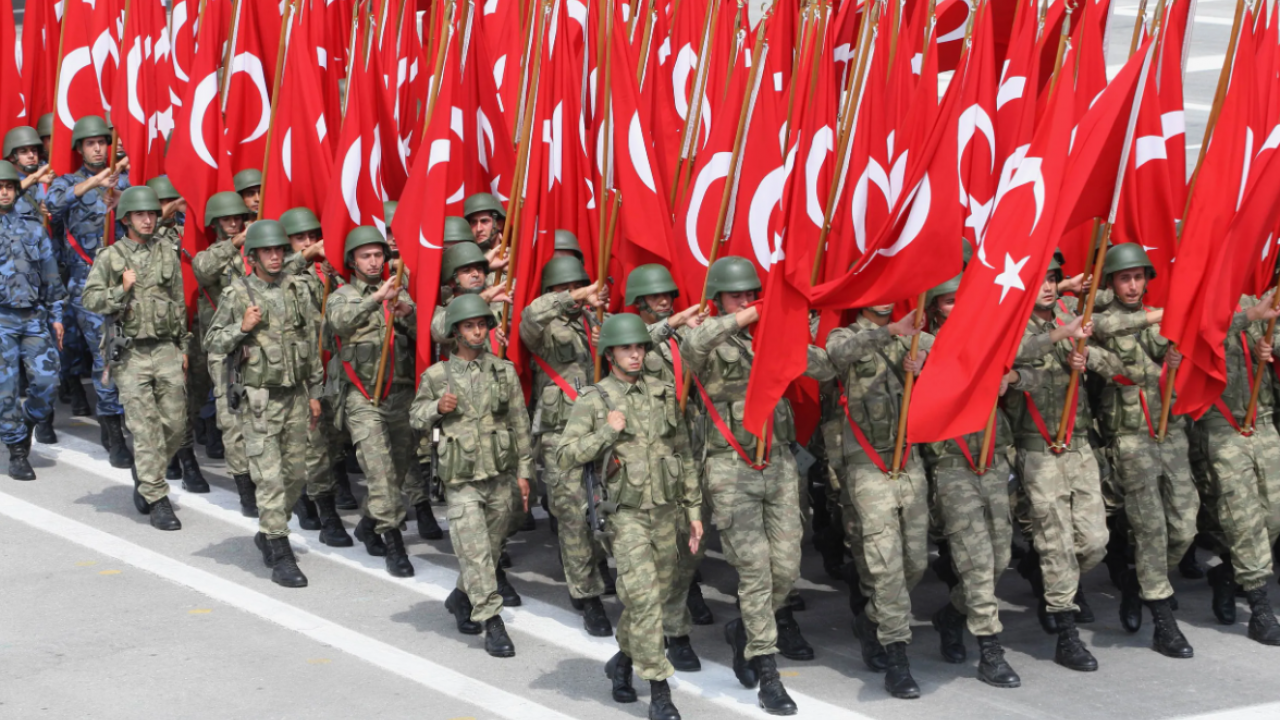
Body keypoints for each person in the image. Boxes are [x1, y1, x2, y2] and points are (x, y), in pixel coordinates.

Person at [684, 255, 825, 715]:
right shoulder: (708, 336)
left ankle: (743, 629)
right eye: (736, 295)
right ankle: (767, 671)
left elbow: (820, 365)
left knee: (786, 567)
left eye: (751, 294)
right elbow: (691, 347)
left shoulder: (771, 334)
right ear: (719, 299)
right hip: (731, 467)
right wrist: (745, 317)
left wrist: (794, 326)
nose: (746, 301)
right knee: (754, 571)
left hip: (779, 462)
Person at [558, 313, 703, 720]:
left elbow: (684, 454)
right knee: (643, 601)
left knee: (652, 598)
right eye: (626, 348)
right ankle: (660, 690)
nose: (635, 354)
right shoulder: (595, 399)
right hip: (624, 516)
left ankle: (622, 661)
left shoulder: (663, 393)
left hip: (666, 513)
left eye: (640, 347)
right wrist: (606, 432)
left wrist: (693, 510)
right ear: (611, 354)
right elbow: (564, 455)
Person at [807, 299, 932, 698]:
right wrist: (890, 332)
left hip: (908, 461)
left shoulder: (917, 337)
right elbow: (834, 358)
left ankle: (872, 617)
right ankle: (897, 657)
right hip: (866, 465)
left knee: (914, 560)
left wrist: (926, 366)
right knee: (886, 565)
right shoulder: (844, 335)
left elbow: (956, 363)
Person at [1004, 256, 1122, 671]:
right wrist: (1060, 336)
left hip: (1078, 445)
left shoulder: (1074, 316)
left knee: (1093, 542)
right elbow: (1006, 357)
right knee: (1056, 540)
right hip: (1037, 450)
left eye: (1054, 279)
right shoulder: (1011, 324)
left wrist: (1087, 357)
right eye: (1041, 280)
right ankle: (1067, 633)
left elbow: (1116, 366)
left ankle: (1045, 569)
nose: (1050, 287)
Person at [1088, 244, 1197, 657]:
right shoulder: (1100, 322)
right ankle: (1162, 621)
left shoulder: (1154, 321)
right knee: (1150, 527)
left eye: (1138, 277)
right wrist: (1166, 316)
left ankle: (1139, 582)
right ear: (1111, 283)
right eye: (1123, 278)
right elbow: (1108, 325)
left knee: (1185, 525)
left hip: (1169, 433)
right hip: (1130, 439)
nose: (1132, 285)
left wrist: (1173, 348)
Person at [918, 274, 1027, 688]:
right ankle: (990, 650)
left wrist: (1013, 377)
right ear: (932, 310)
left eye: (958, 302)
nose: (954, 309)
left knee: (999, 559)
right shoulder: (925, 351)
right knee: (977, 564)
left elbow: (1027, 352)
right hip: (953, 469)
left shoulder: (987, 345)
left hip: (992, 464)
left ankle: (950, 615)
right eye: (946, 303)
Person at [410, 293, 532, 655]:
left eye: (482, 325)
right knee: (475, 551)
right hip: (460, 478)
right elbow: (415, 418)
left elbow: (519, 423)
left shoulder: (503, 370)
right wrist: (436, 407)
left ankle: (461, 597)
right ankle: (491, 622)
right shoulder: (437, 376)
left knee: (490, 548)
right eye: (469, 326)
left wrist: (525, 470)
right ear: (455, 332)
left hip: (499, 474)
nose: (478, 332)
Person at [204, 220, 322, 586]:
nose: (274, 257)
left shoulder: (296, 288)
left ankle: (270, 529)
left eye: (279, 250)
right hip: (258, 399)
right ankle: (280, 548)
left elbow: (310, 342)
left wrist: (316, 394)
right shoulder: (238, 293)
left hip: (296, 396)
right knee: (269, 478)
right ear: (252, 256)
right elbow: (213, 341)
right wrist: (241, 327)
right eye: (267, 251)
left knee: (296, 474)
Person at [82, 186, 189, 530]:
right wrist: (121, 289)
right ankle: (157, 497)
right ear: (126, 218)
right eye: (141, 215)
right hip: (130, 353)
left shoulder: (168, 252)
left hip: (166, 348)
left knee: (175, 425)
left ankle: (146, 472)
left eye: (152, 214)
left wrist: (183, 347)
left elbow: (177, 302)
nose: (148, 219)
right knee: (144, 428)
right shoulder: (111, 256)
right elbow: (91, 299)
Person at [519, 253, 615, 637]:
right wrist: (573, 296)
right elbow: (530, 317)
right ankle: (586, 594)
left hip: (602, 427)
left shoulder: (596, 321)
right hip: (561, 432)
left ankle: (598, 565)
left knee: (606, 506)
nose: (574, 295)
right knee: (573, 514)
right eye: (565, 289)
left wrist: (605, 341)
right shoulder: (542, 327)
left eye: (578, 286)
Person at [624, 263, 713, 671]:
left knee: (687, 549)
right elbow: (640, 343)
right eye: (656, 297)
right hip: (646, 459)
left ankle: (675, 626)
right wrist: (675, 321)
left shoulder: (681, 340)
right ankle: (654, 634)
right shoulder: (631, 338)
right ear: (638, 301)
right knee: (653, 555)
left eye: (669, 297)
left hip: (685, 450)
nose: (664, 302)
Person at [326, 226, 418, 578]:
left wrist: (407, 312)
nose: (374, 261)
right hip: (363, 397)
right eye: (366, 256)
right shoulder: (344, 295)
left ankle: (368, 523)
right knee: (378, 473)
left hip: (400, 394)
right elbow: (339, 322)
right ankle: (394, 543)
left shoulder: (401, 293)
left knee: (395, 471)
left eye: (378, 254)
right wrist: (376, 298)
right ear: (352, 261)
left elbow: (428, 332)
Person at [1191, 290, 1280, 646]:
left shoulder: (1253, 297)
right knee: (1242, 519)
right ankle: (1260, 611)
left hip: (1263, 420)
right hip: (1221, 425)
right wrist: (1250, 317)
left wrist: (1271, 348)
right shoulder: (1197, 297)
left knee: (1272, 516)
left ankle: (1227, 572)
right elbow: (1199, 335)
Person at [46, 115, 132, 469]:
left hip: (127, 285)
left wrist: (120, 191)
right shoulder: (68, 182)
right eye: (91, 143)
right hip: (88, 288)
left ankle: (126, 422)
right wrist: (96, 181)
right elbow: (53, 205)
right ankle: (113, 434)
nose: (98, 148)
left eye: (103, 142)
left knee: (128, 357)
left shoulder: (125, 183)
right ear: (79, 148)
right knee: (106, 357)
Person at [279, 206, 355, 547]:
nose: (310, 243)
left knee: (333, 437)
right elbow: (280, 275)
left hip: (334, 368)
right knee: (313, 444)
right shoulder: (282, 274)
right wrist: (309, 255)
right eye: (300, 239)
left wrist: (334, 271)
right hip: (300, 372)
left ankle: (315, 492)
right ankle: (325, 512)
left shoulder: (329, 273)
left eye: (313, 237)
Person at [0, 160, 67, 480]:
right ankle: (16, 450)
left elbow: (51, 276)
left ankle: (29, 420)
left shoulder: (33, 227)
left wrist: (56, 316)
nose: (4, 192)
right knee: (5, 388)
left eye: (9, 186)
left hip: (33, 316)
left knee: (47, 381)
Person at [145, 176, 209, 493]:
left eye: (171, 201)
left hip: (199, 321)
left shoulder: (191, 233)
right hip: (168, 328)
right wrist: (168, 212)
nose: (168, 207)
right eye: (161, 203)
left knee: (196, 393)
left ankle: (176, 445)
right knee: (177, 394)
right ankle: (186, 460)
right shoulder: (147, 237)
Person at [194, 191, 255, 512]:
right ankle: (244, 487)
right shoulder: (214, 253)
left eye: (238, 218)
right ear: (215, 223)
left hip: (261, 345)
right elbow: (202, 271)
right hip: (226, 346)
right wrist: (235, 243)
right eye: (227, 219)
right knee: (232, 419)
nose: (233, 223)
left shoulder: (258, 250)